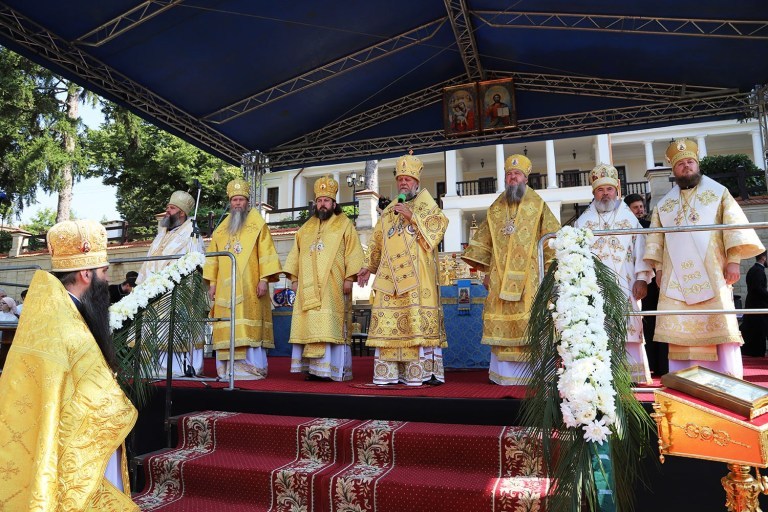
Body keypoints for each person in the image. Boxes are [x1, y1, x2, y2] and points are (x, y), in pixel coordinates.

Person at [0, 220, 138, 510]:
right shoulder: (65, 320)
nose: (106, 279)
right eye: (103, 272)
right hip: (73, 441)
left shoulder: (50, 310)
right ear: (86, 274)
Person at [644, 139, 765, 378]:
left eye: (690, 162)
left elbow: (733, 227)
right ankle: (685, 381)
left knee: (719, 326)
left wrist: (733, 261)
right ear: (674, 170)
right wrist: (658, 270)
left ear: (697, 165)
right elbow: (656, 241)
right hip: (675, 281)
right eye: (680, 164)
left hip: (714, 273)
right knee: (681, 333)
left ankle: (727, 380)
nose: (686, 167)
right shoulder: (664, 205)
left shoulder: (718, 193)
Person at [462, 154, 561, 385]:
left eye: (517, 174)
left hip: (532, 276)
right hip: (499, 276)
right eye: (509, 174)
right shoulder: (496, 208)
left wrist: (551, 270)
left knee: (531, 318)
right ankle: (504, 374)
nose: (512, 177)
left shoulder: (538, 205)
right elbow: (485, 240)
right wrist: (485, 271)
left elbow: (552, 239)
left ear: (526, 178)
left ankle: (535, 373)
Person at [357, 153, 449, 386]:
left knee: (415, 323)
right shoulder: (389, 211)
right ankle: (390, 373)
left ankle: (422, 373)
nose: (403, 182)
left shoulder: (426, 203)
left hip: (417, 280)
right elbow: (378, 241)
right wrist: (368, 266)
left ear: (417, 182)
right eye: (400, 179)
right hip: (390, 282)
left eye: (408, 179)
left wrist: (414, 217)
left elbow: (438, 230)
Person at [575, 164, 653, 384]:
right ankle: (601, 378)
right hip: (595, 287)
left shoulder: (630, 220)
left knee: (629, 330)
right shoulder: (583, 222)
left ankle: (631, 377)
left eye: (609, 189)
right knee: (598, 331)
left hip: (626, 284)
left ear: (616, 191)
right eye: (601, 190)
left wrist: (642, 278)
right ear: (594, 193)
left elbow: (641, 250)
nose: (605, 194)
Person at [284, 176, 364, 381]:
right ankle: (312, 369)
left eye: (326, 201)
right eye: (319, 201)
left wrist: (349, 277)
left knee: (329, 325)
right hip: (307, 287)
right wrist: (294, 279)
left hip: (333, 285)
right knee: (309, 325)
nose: (322, 204)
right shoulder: (305, 228)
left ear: (334, 203)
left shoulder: (344, 224)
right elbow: (295, 254)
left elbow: (354, 252)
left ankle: (330, 370)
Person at [203, 178, 282, 380]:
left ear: (248, 202)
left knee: (247, 324)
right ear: (230, 202)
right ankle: (228, 369)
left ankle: (251, 369)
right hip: (223, 289)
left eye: (241, 199)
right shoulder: (220, 230)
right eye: (234, 200)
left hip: (250, 286)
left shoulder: (258, 225)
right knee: (228, 324)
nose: (237, 203)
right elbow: (213, 259)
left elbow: (266, 254)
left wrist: (264, 279)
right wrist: (212, 284)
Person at [137, 190, 207, 377]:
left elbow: (195, 261)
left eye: (172, 208)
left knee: (173, 328)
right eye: (168, 207)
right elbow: (149, 260)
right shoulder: (161, 233)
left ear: (182, 213)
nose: (167, 211)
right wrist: (141, 285)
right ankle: (154, 367)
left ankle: (176, 368)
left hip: (176, 289)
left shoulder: (192, 233)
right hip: (152, 289)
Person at [624, 194, 666, 374]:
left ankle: (661, 363)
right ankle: (649, 361)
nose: (640, 210)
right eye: (636, 207)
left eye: (641, 206)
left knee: (657, 320)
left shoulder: (650, 226)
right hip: (636, 280)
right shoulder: (625, 226)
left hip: (653, 279)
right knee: (644, 323)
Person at [741, 251, 768, 357]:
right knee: (758, 332)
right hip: (758, 306)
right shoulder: (757, 271)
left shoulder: (756, 270)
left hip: (755, 305)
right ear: (763, 258)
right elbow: (758, 289)